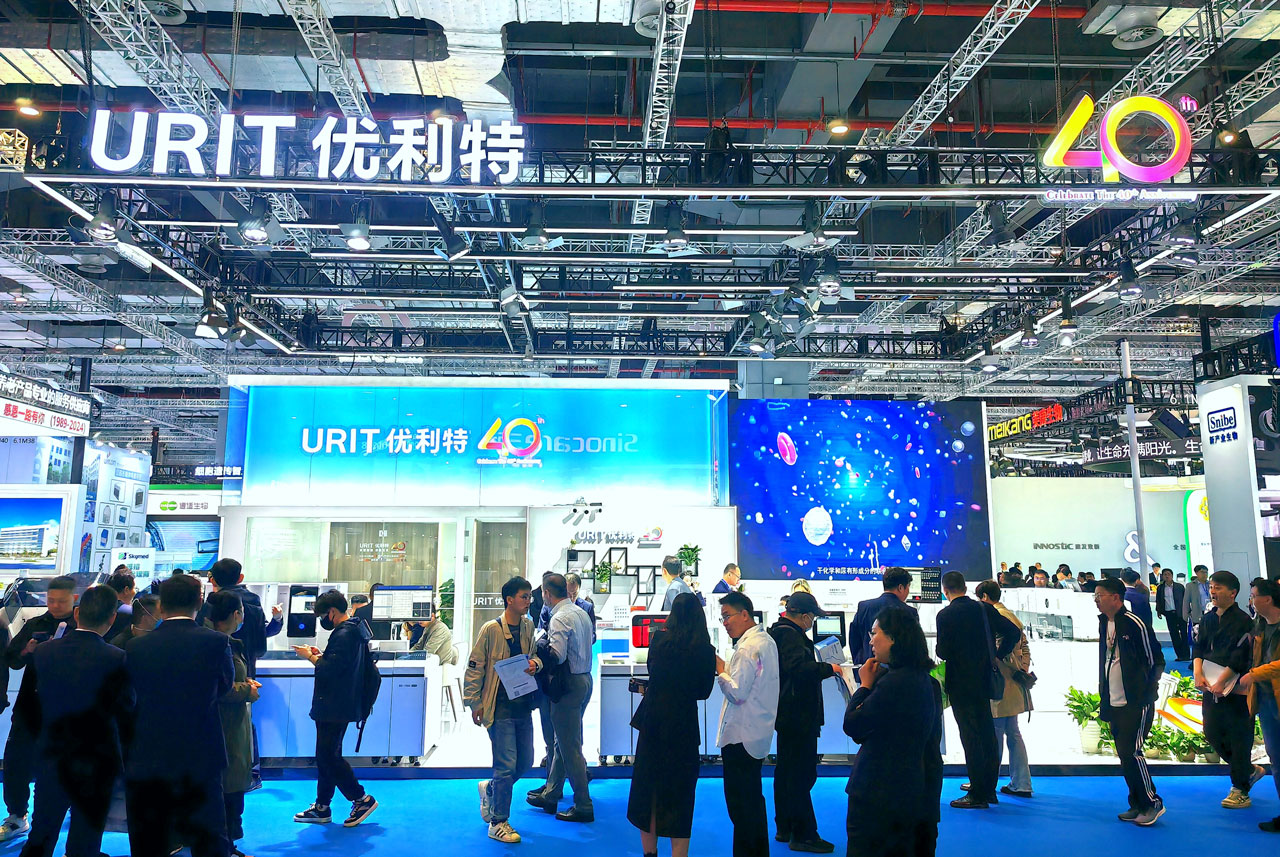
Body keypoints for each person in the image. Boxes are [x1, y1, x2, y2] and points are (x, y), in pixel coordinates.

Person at [125, 573, 234, 857]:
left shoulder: (137, 647)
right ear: (199, 602)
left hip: (150, 751)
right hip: (202, 750)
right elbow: (224, 687)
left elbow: (129, 697)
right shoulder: (217, 642)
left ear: (161, 606)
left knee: (150, 836)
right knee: (209, 834)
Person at [18, 585, 132, 857]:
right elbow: (127, 707)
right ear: (112, 618)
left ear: (77, 613)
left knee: (42, 830)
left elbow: (33, 704)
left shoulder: (44, 652)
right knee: (86, 835)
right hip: (97, 757)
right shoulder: (116, 657)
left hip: (52, 752)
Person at [843, 606, 942, 857]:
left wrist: (864, 686)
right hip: (912, 790)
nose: (870, 640)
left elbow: (854, 725)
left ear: (893, 638)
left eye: (875, 633)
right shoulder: (927, 681)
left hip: (878, 792)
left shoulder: (893, 683)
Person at [628, 592, 716, 857]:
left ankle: (650, 854)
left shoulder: (658, 640)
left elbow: (653, 673)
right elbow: (704, 691)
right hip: (683, 727)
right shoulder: (705, 650)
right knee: (681, 795)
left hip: (653, 724)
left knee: (649, 792)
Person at [292, 590, 378, 827]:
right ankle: (322, 806)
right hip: (341, 703)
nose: (323, 620)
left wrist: (310, 657)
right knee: (327, 755)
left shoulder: (344, 633)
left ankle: (361, 799)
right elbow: (339, 664)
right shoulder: (354, 629)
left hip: (334, 705)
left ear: (331, 612)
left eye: (323, 615)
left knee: (329, 756)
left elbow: (328, 670)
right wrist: (321, 656)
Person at [2, 575, 77, 842]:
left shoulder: (80, 628)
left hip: (65, 709)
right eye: (51, 600)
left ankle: (60, 812)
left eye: (61, 601)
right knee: (16, 762)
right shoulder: (35, 624)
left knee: (59, 765)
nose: (55, 605)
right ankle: (16, 815)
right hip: (29, 706)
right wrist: (26, 650)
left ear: (74, 599)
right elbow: (12, 660)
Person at [466, 576, 541, 844]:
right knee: (506, 765)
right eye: (524, 596)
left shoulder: (529, 626)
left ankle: (492, 789)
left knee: (526, 761)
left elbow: (535, 655)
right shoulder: (491, 629)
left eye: (529, 596)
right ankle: (498, 822)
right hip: (499, 708)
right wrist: (474, 701)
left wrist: (536, 664)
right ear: (509, 600)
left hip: (523, 705)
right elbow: (475, 666)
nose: (528, 601)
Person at [934, 571, 1018, 809]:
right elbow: (1013, 632)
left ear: (945, 591)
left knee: (970, 736)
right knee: (986, 733)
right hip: (984, 678)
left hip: (960, 681)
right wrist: (997, 655)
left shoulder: (945, 615)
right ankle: (988, 789)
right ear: (964, 586)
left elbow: (942, 652)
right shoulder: (984, 609)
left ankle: (978, 793)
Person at [769, 592, 843, 853]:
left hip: (789, 713)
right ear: (804, 616)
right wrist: (829, 669)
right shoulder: (790, 636)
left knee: (787, 771)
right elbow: (799, 669)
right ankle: (803, 834)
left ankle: (786, 826)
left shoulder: (780, 632)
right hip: (798, 714)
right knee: (800, 774)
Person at [1093, 577, 1165, 826]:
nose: (1096, 600)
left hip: (1136, 701)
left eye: (1100, 595)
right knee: (1124, 753)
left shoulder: (1135, 624)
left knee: (1132, 752)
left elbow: (1155, 660)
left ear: (1116, 597)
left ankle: (1152, 803)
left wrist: (1145, 692)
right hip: (1113, 698)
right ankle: (1137, 803)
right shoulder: (1104, 623)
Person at [715, 591, 779, 857]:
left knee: (741, 807)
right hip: (757, 733)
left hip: (740, 736)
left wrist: (721, 671)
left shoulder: (747, 648)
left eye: (727, 616)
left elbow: (738, 692)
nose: (725, 623)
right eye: (722, 618)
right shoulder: (766, 641)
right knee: (752, 802)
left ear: (744, 614)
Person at [527, 573, 595, 822]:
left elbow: (557, 656)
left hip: (568, 686)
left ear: (546, 593)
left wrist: (539, 651)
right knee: (562, 742)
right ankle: (552, 793)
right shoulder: (580, 613)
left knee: (569, 747)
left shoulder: (559, 618)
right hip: (585, 679)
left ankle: (583, 805)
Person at [1193, 570, 1261, 809]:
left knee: (1238, 737)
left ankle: (1240, 788)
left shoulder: (1244, 621)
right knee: (1211, 732)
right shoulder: (1208, 618)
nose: (1213, 591)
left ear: (1232, 593)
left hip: (1236, 688)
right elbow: (1199, 647)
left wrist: (1223, 681)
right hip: (1211, 686)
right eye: (1211, 587)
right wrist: (1198, 672)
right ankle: (1247, 770)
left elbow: (1240, 656)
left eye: (1218, 588)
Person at [206, 590, 260, 857]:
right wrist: (247, 690)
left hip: (227, 726)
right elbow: (220, 687)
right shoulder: (219, 644)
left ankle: (225, 845)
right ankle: (223, 846)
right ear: (237, 614)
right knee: (228, 789)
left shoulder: (224, 642)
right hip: (226, 727)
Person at [975, 580, 1033, 798]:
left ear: (984, 597)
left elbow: (1003, 646)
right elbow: (1025, 646)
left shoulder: (996, 616)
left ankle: (987, 782)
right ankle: (1022, 782)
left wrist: (996, 659)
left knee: (995, 733)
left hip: (1001, 681)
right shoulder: (1011, 615)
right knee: (1013, 732)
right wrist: (1022, 668)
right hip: (1015, 681)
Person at [1239, 578, 1280, 832]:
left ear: (1268, 599)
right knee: (1276, 758)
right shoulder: (1259, 626)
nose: (1251, 600)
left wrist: (1255, 674)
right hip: (1266, 701)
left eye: (1254, 596)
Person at [200, 558, 282, 679]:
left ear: (213, 580)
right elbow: (261, 638)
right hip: (247, 667)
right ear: (240, 578)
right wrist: (277, 619)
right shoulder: (253, 602)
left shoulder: (210, 604)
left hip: (214, 667)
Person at [848, 567, 918, 668]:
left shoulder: (864, 607)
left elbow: (854, 639)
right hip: (899, 671)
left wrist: (860, 662)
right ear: (900, 588)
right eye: (908, 588)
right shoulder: (909, 612)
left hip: (869, 668)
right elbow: (913, 645)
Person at [1155, 569, 1189, 662]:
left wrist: (1187, 611)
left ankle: (1186, 655)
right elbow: (1158, 600)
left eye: (1168, 574)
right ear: (1162, 576)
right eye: (1165, 574)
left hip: (1180, 613)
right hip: (1169, 614)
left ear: (1172, 575)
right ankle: (1179, 655)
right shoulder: (1160, 588)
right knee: (1174, 635)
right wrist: (1159, 611)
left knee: (1184, 634)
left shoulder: (1179, 587)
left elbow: (1185, 600)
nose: (1167, 576)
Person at [1183, 565, 1212, 648]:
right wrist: (1186, 616)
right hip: (1198, 614)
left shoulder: (1210, 584)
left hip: (1210, 613)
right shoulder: (1191, 586)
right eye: (1202, 572)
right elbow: (1186, 601)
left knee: (1210, 637)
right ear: (1196, 573)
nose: (1205, 574)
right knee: (1198, 638)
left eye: (1206, 572)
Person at [104, 570, 136, 640]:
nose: (135, 591)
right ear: (126, 590)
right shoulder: (131, 613)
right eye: (135, 588)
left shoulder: (99, 606)